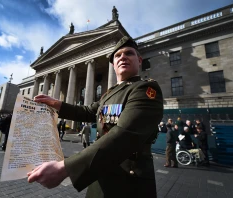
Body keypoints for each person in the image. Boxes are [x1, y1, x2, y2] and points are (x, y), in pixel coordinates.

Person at [27, 36, 163, 198]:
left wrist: (66, 168)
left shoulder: (145, 89)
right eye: (118, 55)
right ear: (113, 64)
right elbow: (88, 111)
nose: (123, 57)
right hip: (100, 173)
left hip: (128, 183)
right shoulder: (108, 95)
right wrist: (57, 104)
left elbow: (125, 135)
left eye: (129, 53)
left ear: (139, 60)